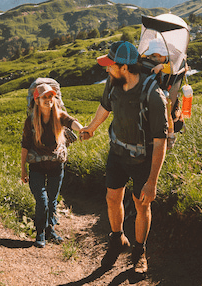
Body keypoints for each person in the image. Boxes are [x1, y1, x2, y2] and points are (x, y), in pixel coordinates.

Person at [80, 41, 168, 274]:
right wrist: (91, 128)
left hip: (142, 159)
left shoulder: (154, 95)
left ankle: (139, 253)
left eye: (111, 66)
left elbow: (161, 141)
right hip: (117, 153)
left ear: (125, 68)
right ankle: (117, 239)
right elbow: (105, 107)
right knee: (112, 198)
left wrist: (152, 182)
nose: (107, 69)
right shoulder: (113, 82)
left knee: (141, 204)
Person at [20, 83, 83, 248]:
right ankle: (40, 231)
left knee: (52, 200)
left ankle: (50, 230)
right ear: (37, 100)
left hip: (56, 166)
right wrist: (22, 169)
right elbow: (25, 145)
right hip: (37, 167)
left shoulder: (59, 115)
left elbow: (71, 122)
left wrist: (82, 129)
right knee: (42, 201)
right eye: (44, 97)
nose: (48, 100)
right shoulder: (31, 121)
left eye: (51, 96)